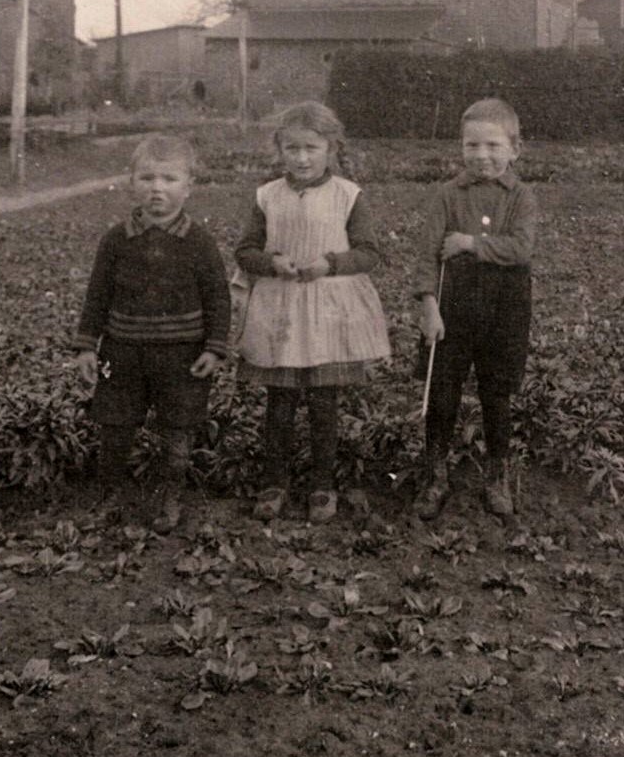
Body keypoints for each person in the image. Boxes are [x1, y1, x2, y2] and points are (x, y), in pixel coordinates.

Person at [233, 102, 391, 524]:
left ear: (331, 148)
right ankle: (274, 482)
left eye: (311, 148)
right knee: (280, 403)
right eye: (292, 148)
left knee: (325, 403)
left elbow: (369, 253)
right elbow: (245, 251)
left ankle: (322, 485)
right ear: (279, 150)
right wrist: (272, 263)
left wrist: (330, 264)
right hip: (282, 310)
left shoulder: (348, 195)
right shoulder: (267, 196)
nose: (301, 158)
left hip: (327, 313)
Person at [73, 134, 230, 531]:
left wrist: (214, 348)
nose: (157, 188)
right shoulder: (116, 240)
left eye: (169, 179)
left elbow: (218, 297)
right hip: (123, 352)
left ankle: (170, 499)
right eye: (146, 178)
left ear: (188, 187)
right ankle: (111, 497)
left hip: (181, 355)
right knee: (115, 428)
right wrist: (87, 347)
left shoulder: (199, 242)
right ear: (131, 183)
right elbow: (97, 295)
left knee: (177, 431)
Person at [413, 99, 538, 519]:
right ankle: (435, 475)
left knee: (496, 393)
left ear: (514, 149)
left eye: (492, 145)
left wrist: (470, 244)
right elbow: (427, 254)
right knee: (442, 392)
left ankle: (497, 475)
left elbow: (521, 248)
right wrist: (429, 305)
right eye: (471, 146)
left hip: (505, 306)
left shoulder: (521, 197)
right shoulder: (447, 195)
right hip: (453, 305)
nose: (481, 155)